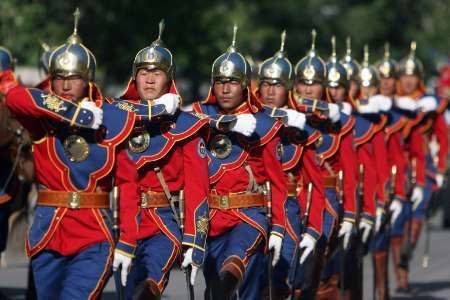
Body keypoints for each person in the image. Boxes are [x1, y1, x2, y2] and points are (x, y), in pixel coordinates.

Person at [2, 9, 139, 299]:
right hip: (48, 232)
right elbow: (14, 97)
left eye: (74, 77)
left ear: (88, 80)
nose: (65, 85)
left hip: (94, 235)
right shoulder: (43, 118)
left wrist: (127, 241)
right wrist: (72, 113)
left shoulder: (112, 119)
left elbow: (128, 185)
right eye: (59, 77)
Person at [192, 24, 287, 300]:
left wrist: (279, 228)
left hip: (248, 217)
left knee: (234, 277)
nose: (225, 88)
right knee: (214, 290)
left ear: (245, 84)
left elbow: (277, 182)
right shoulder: (200, 115)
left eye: (232, 82)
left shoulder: (264, 125)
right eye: (220, 81)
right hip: (210, 219)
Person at [117, 20, 210, 299]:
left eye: (156, 73)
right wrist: (152, 110)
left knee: (147, 288)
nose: (148, 79)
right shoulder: (115, 114)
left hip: (161, 222)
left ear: (168, 79)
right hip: (120, 221)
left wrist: (196, 241)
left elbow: (197, 188)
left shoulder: (187, 125)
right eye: (143, 72)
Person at [257, 30, 325, 299]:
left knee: (281, 277)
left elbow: (316, 185)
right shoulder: (244, 121)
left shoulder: (299, 129)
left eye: (278, 85)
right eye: (266, 83)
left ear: (289, 89)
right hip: (251, 205)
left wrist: (313, 229)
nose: (271, 91)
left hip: (286, 208)